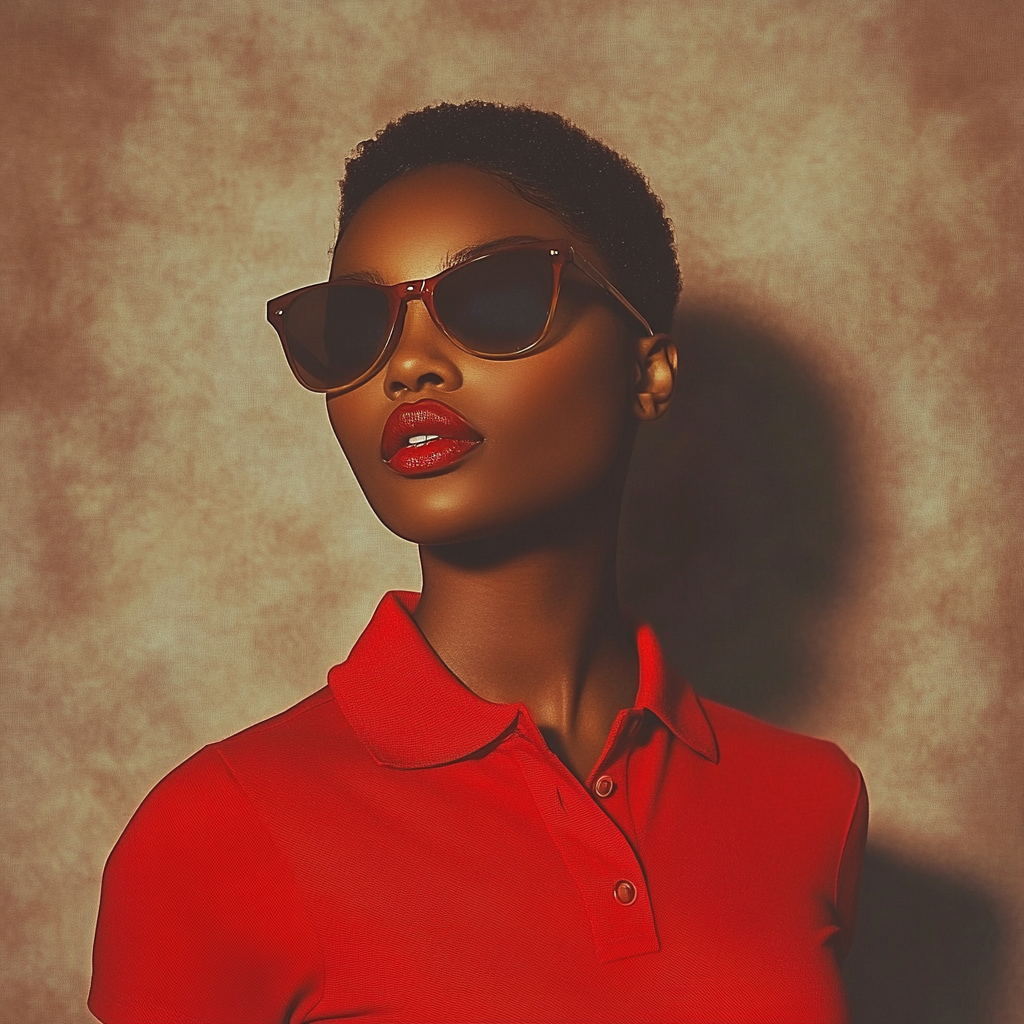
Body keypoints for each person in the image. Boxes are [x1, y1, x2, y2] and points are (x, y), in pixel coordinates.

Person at [89, 101, 868, 1023]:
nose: (409, 363)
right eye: (355, 323)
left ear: (648, 374)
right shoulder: (213, 832)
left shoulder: (810, 802)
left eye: (493, 299)